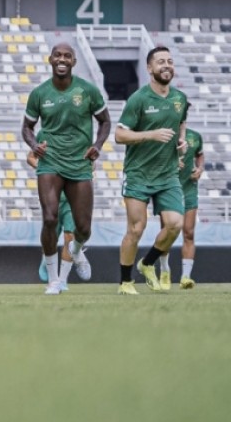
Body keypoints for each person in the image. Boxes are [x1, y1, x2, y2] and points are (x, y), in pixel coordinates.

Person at [20, 43, 109, 295]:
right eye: (57, 55)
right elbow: (26, 127)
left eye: (67, 56)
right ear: (50, 60)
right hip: (50, 162)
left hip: (80, 163)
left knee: (84, 228)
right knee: (50, 218)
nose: (62, 59)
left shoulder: (88, 90)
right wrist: (34, 144)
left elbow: (105, 122)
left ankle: (76, 251)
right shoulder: (39, 93)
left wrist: (98, 145)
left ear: (73, 62)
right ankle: (54, 280)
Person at [116, 46, 189, 295]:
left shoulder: (180, 98)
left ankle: (147, 263)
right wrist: (151, 135)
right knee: (136, 229)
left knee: (175, 224)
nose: (166, 65)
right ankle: (125, 282)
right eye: (160, 62)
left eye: (169, 61)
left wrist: (182, 141)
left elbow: (181, 122)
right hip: (138, 174)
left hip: (167, 174)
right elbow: (119, 135)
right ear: (149, 68)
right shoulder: (139, 99)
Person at [27, 147, 76, 291]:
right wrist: (44, 169)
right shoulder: (47, 139)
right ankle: (47, 264)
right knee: (51, 238)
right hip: (51, 198)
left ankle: (62, 280)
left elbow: (92, 164)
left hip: (71, 200)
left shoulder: (79, 138)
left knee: (70, 237)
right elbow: (30, 157)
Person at [164, 128, 204, 289]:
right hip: (167, 187)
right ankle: (164, 272)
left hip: (189, 189)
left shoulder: (195, 136)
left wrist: (199, 169)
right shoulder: (164, 134)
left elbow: (200, 155)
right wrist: (171, 162)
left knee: (189, 232)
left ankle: (185, 277)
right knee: (166, 232)